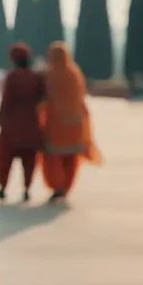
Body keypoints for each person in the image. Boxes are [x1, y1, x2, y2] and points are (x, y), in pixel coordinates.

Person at [41, 41, 102, 202]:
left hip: (56, 126)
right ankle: (65, 187)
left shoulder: (49, 75)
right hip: (75, 124)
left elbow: (42, 99)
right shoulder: (74, 73)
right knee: (71, 159)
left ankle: (57, 186)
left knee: (53, 158)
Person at [0, 43, 45, 202]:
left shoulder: (12, 76)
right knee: (29, 160)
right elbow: (43, 97)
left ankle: (2, 188)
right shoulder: (37, 77)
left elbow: (6, 100)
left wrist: (0, 118)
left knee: (5, 157)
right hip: (31, 124)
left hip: (12, 125)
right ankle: (26, 189)